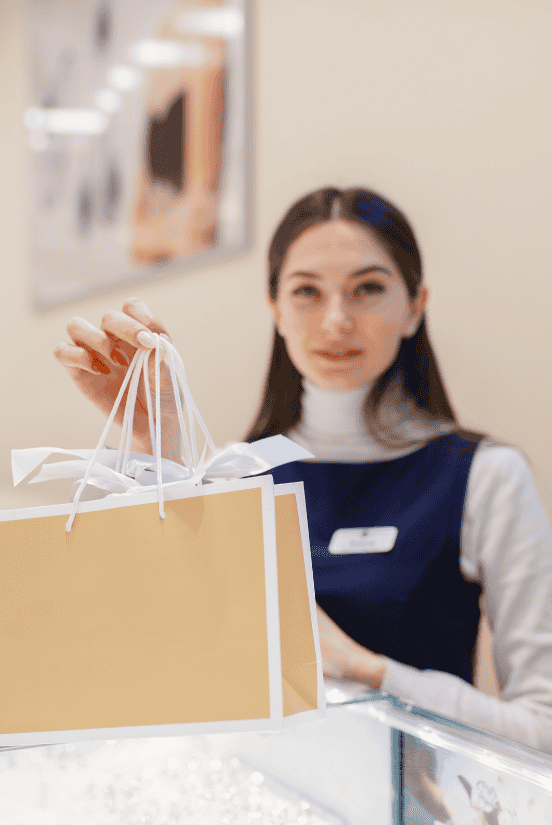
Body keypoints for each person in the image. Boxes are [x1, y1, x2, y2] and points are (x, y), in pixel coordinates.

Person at [54, 186, 552, 755]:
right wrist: (157, 438)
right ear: (276, 310)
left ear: (415, 306)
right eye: (307, 292)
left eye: (368, 288)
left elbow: (543, 732)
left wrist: (370, 672)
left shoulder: (486, 477)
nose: (336, 321)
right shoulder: (236, 478)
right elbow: (177, 677)